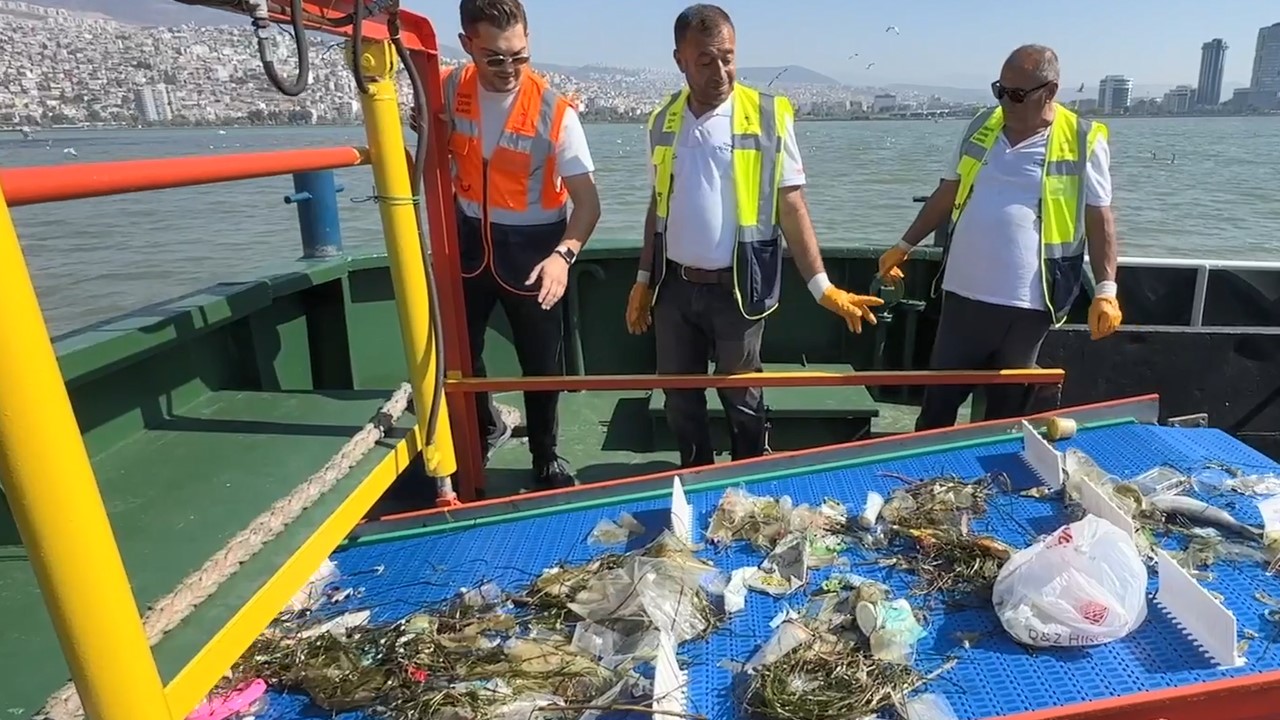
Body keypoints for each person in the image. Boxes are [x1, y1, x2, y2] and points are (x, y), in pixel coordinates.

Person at [624, 4, 884, 469]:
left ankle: (748, 470)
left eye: (728, 56)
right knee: (679, 395)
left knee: (742, 393)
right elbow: (657, 205)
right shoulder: (661, 122)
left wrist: (823, 288)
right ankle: (695, 469)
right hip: (675, 288)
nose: (720, 70)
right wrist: (645, 278)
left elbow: (791, 205)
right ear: (680, 60)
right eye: (705, 60)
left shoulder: (767, 117)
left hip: (738, 289)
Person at [879, 44, 1122, 431]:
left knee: (1006, 416)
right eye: (1000, 90)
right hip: (962, 297)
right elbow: (947, 192)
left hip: (1026, 306)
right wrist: (903, 245)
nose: (1006, 101)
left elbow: (1099, 216)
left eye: (1017, 94)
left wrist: (1106, 290)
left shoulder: (1082, 139)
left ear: (1050, 91)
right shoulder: (981, 126)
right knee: (937, 406)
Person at [438, 0, 601, 486]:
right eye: (494, 58)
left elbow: (588, 204)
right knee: (463, 351)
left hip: (534, 253)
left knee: (540, 361)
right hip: (467, 245)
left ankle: (545, 456)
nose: (509, 69)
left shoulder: (556, 114)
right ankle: (483, 426)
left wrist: (562, 257)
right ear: (468, 45)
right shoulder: (446, 87)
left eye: (520, 56)